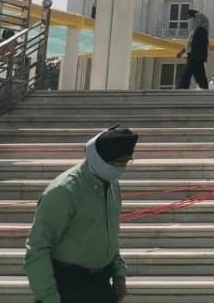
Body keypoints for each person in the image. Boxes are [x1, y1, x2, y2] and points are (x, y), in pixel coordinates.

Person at [25, 126, 138, 303]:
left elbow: (110, 234)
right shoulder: (64, 191)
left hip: (100, 285)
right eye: (119, 163)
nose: (123, 169)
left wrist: (119, 274)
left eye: (127, 162)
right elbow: (38, 248)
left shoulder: (111, 184)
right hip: (68, 287)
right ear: (101, 159)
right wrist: (48, 298)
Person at [175, 9, 209, 89]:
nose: (189, 20)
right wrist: (182, 52)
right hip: (193, 55)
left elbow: (202, 44)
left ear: (195, 18)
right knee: (199, 74)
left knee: (188, 71)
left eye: (190, 18)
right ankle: (204, 88)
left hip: (196, 56)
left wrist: (195, 55)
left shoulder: (201, 30)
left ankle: (182, 87)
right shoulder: (193, 31)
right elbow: (189, 44)